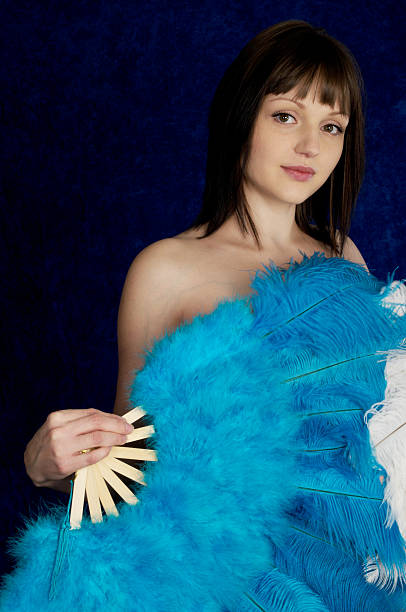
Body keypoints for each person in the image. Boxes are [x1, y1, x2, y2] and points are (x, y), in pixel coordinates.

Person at [24, 19, 369, 495]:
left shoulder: (342, 255)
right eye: (286, 116)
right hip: (226, 559)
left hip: (347, 558)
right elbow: (133, 473)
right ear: (240, 116)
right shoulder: (164, 270)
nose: (311, 145)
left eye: (332, 126)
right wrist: (52, 467)